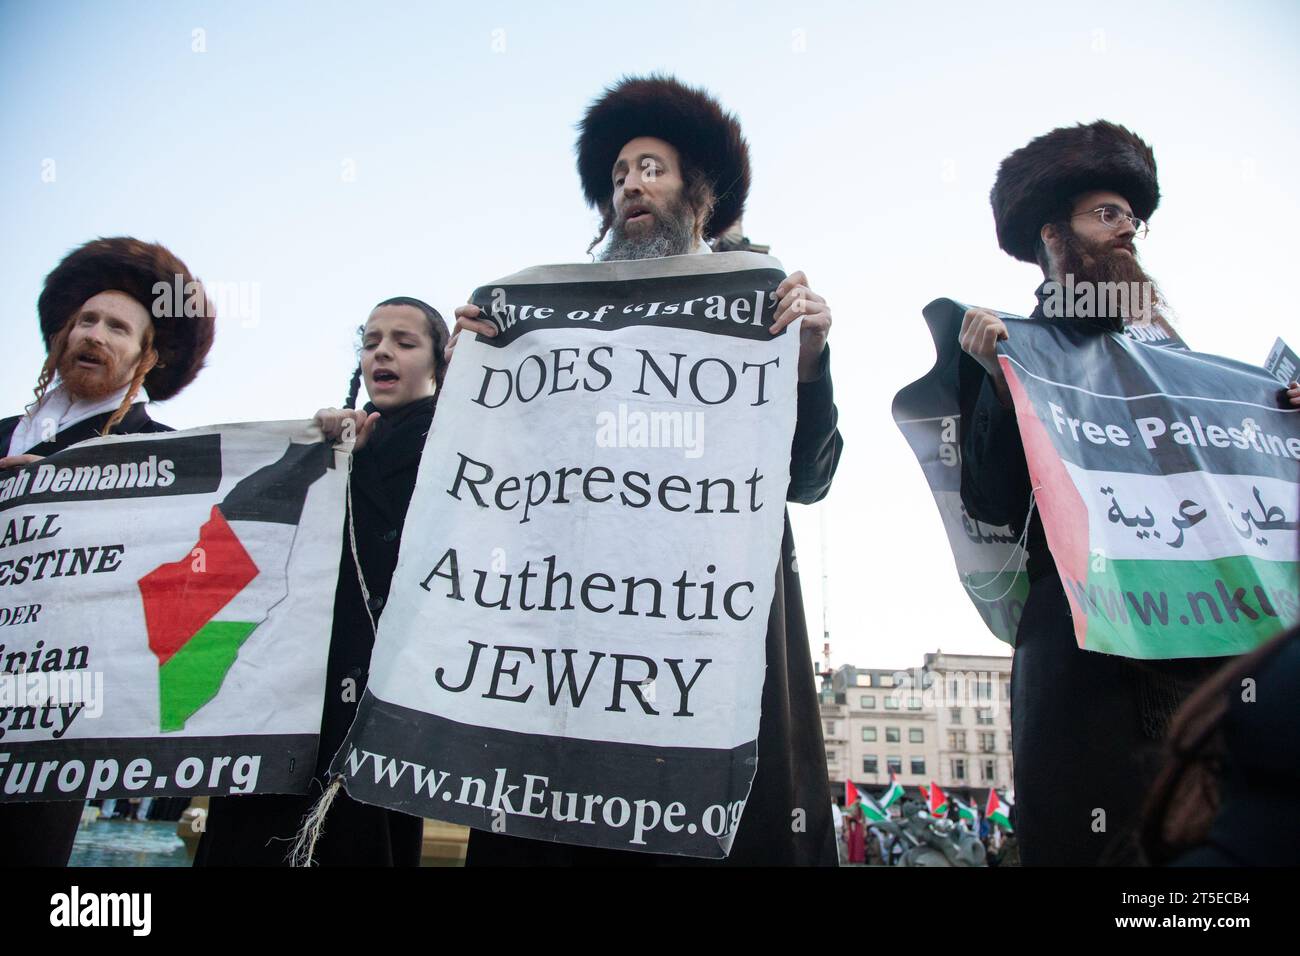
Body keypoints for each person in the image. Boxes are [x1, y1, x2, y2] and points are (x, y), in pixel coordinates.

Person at [452, 74, 843, 866]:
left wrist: (806, 364)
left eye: (651, 167)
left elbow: (808, 478)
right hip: (576, 632)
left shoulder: (766, 308)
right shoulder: (557, 322)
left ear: (698, 193)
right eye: (620, 173)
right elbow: (507, 482)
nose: (631, 183)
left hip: (713, 628)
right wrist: (476, 384)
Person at [956, 122, 1297, 866]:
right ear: (1054, 235)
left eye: (1132, 220)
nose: (1127, 233)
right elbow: (990, 500)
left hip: (1206, 649)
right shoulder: (1011, 347)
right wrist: (992, 380)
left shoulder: (1175, 360)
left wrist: (1282, 416)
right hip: (1086, 656)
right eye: (1106, 215)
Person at [195, 296, 449, 866]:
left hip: (384, 701)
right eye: (372, 341)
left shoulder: (464, 444)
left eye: (405, 342)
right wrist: (326, 461)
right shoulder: (331, 450)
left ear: (439, 364)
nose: (382, 351)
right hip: (286, 693)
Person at [0, 237, 214, 867]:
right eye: (86, 321)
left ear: (148, 357)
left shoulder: (167, 458)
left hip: (52, 709)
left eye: (118, 327)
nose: (94, 335)